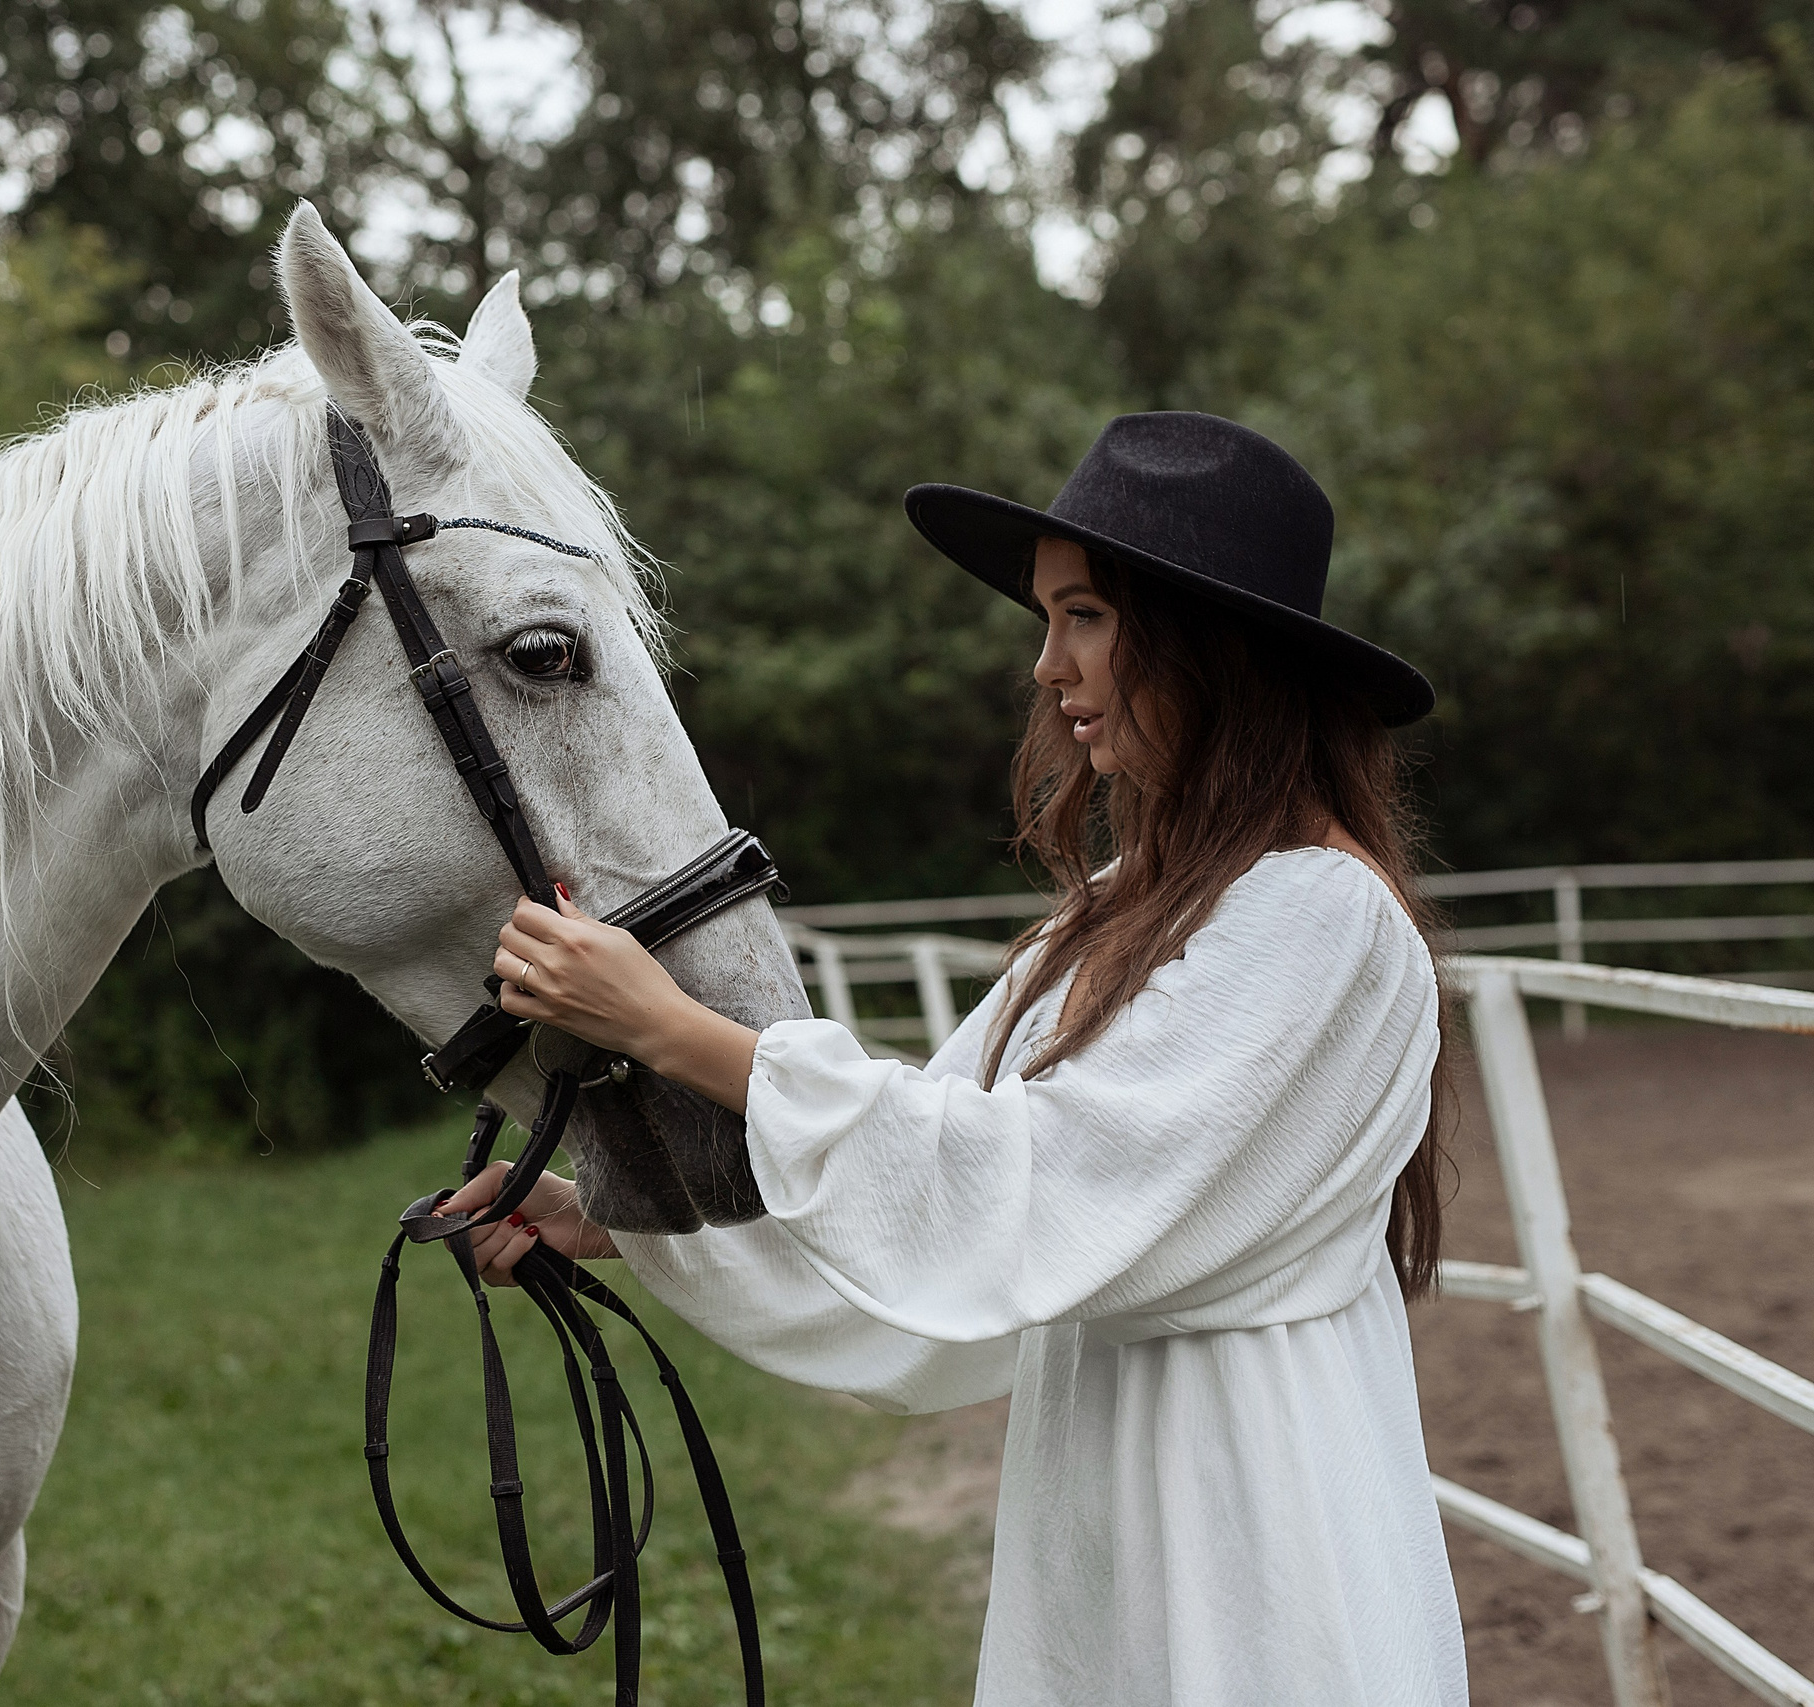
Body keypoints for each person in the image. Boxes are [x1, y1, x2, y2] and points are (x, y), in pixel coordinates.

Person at [451, 413, 1469, 1705]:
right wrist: (629, 1224)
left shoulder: (1320, 913)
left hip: (1253, 1510)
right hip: (1108, 1492)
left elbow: (1027, 1187)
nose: (1049, 667)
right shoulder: (1108, 911)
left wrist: (674, 1028)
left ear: (1218, 646)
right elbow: (926, 1185)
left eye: (1086, 615)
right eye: (1048, 621)